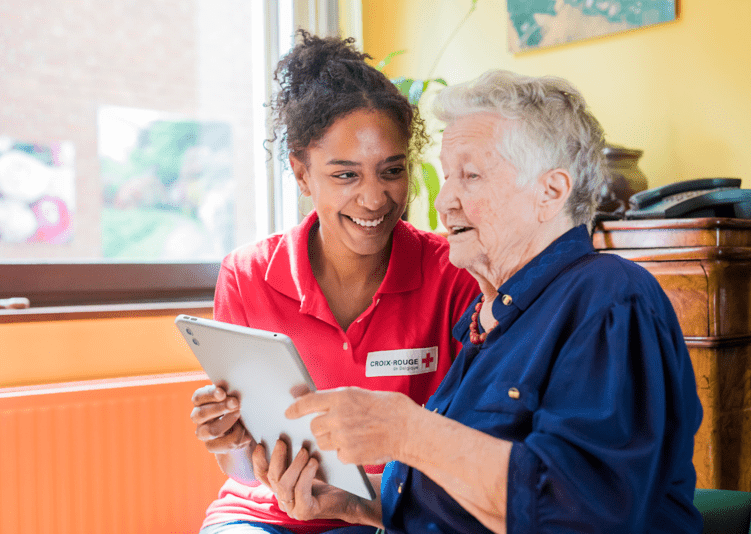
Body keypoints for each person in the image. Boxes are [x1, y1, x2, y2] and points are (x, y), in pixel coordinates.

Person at [257, 70, 705, 534]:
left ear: (550, 192)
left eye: (470, 176)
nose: (444, 199)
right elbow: (467, 495)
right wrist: (358, 503)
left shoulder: (609, 298)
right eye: (448, 175)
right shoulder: (487, 317)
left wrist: (407, 432)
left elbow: (582, 511)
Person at [189, 31, 479, 534]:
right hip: (264, 516)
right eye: (345, 175)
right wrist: (231, 443)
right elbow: (241, 472)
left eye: (391, 170)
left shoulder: (452, 276)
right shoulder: (247, 274)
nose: (374, 198)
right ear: (302, 175)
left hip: (391, 518)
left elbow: (469, 447)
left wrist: (363, 504)